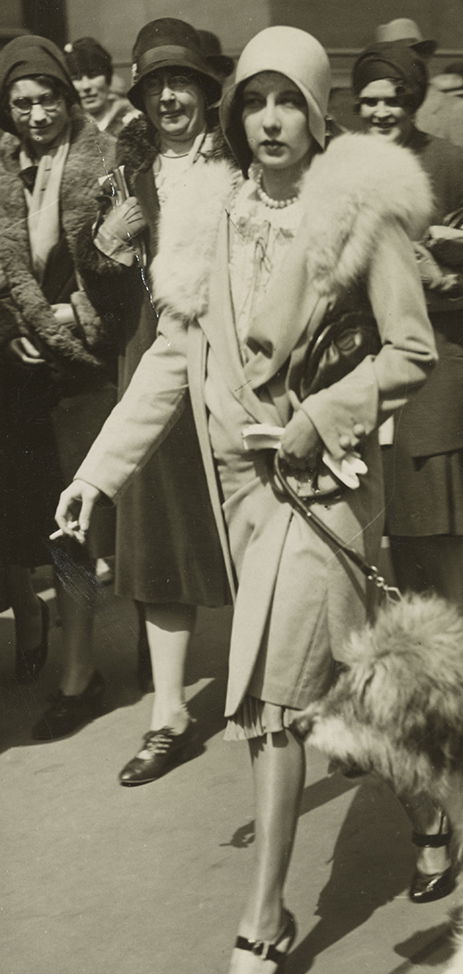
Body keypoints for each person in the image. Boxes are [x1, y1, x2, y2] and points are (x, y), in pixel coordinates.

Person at [56, 25, 435, 974]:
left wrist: (320, 413)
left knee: (271, 699)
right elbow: (172, 362)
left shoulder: (363, 216)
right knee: (345, 682)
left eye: (289, 103)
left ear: (318, 115)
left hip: (326, 487)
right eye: (255, 102)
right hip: (245, 499)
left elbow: (412, 351)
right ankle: (432, 805)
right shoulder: (216, 219)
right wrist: (99, 470)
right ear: (239, 115)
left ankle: (264, 919)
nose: (270, 120)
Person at [353, 39, 463, 903]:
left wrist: (436, 268)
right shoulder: (344, 166)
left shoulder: (449, 162)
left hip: (440, 376)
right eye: (367, 101)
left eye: (392, 100)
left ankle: (461, 706)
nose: (380, 113)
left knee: (434, 546)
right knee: (383, 560)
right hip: (367, 383)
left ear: (413, 97)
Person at [80, 19, 232, 786]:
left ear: (206, 90)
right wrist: (108, 243)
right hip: (155, 364)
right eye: (154, 86)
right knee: (160, 538)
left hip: (236, 369)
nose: (169, 96)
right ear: (140, 98)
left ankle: (270, 696)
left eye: (182, 83)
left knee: (253, 529)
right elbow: (98, 285)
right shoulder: (126, 172)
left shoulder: (244, 161)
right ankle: (168, 711)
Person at [0, 35, 119, 731]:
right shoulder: (4, 168)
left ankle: (80, 670)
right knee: (37, 522)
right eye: (23, 103)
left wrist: (80, 312)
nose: (37, 115)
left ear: (69, 98)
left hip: (83, 369)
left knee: (74, 528)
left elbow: (129, 262)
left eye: (48, 99)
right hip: (20, 375)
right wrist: (10, 328)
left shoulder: (104, 161)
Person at [374, 18, 463, 172]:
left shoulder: (456, 111)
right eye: (389, 63)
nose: (397, 69)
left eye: (406, 60)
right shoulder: (380, 114)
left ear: (424, 60)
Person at [63, 37, 138, 137]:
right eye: (77, 78)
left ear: (108, 77)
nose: (86, 86)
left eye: (93, 75)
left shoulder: (133, 120)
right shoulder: (67, 130)